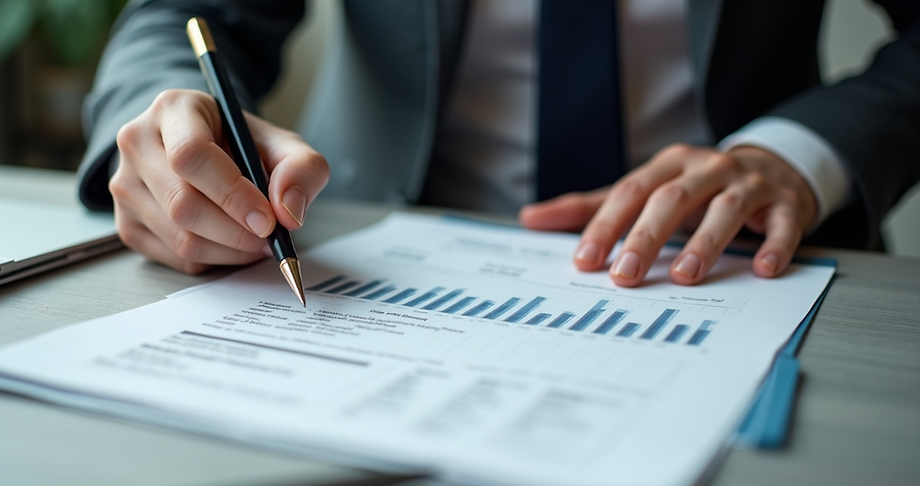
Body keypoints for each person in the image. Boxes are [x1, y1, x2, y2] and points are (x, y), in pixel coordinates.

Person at [76, 0, 920, 287]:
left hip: (729, 261)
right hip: (364, 257)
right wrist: (163, 137)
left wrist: (799, 152)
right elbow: (183, 16)